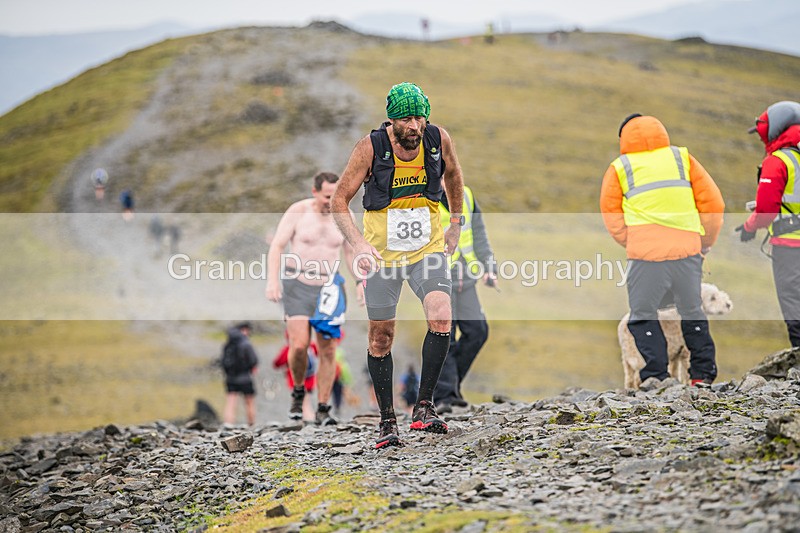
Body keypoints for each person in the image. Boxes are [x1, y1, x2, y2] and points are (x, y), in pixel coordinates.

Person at [331, 81, 465, 449]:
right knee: (381, 337)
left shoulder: (438, 139)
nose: (415, 126)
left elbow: (453, 175)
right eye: (406, 119)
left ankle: (424, 408)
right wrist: (357, 244)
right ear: (392, 120)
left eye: (420, 117)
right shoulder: (369, 149)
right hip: (382, 255)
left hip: (427, 250)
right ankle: (387, 422)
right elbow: (339, 200)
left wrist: (456, 223)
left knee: (441, 315)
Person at [600, 113, 725, 386]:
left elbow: (611, 215)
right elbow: (713, 203)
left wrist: (633, 241)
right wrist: (704, 242)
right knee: (691, 310)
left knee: (642, 315)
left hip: (646, 257)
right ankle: (701, 377)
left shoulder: (620, 167)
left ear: (624, 137)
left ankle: (656, 377)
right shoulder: (682, 158)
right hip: (687, 252)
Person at [265, 171, 364, 426]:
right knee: (299, 345)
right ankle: (299, 391)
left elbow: (351, 253)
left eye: (335, 197)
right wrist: (273, 281)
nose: (331, 203)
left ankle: (323, 407)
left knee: (328, 350)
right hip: (297, 284)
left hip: (329, 288)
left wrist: (360, 282)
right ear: (315, 192)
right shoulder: (298, 211)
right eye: (326, 197)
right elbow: (277, 245)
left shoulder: (344, 215)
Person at [737, 101, 800, 348]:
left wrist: (749, 227)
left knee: (793, 300)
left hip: (790, 244)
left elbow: (766, 211)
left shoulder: (778, 161)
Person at [434, 185, 497, 411]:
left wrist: (489, 267)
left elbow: (478, 233)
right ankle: (444, 397)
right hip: (437, 278)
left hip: (466, 277)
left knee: (478, 331)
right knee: (444, 336)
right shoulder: (422, 196)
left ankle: (445, 387)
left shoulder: (467, 194)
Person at [273, 332, 319, 421]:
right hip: (310, 380)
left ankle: (307, 419)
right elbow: (319, 353)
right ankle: (307, 418)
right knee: (306, 400)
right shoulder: (311, 346)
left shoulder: (289, 348)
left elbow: (277, 363)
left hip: (295, 381)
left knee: (301, 402)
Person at [222, 321, 259, 426]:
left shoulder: (228, 344)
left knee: (231, 402)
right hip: (245, 377)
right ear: (244, 330)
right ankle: (251, 425)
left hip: (230, 378)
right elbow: (254, 360)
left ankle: (228, 424)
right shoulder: (245, 343)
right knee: (249, 402)